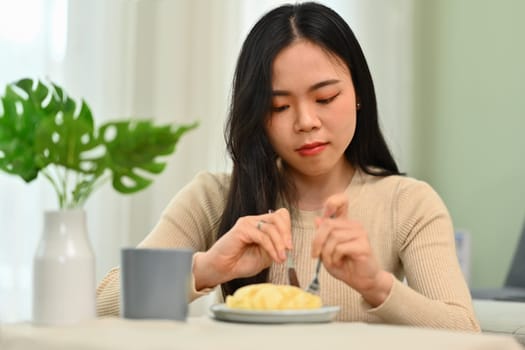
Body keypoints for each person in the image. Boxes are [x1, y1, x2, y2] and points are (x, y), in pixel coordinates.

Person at [96, 1, 480, 331]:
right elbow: (98, 305)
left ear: (359, 93)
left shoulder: (408, 204)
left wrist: (376, 285)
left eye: (325, 98)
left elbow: (465, 331)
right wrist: (207, 268)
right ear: (256, 115)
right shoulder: (214, 197)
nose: (305, 121)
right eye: (279, 107)